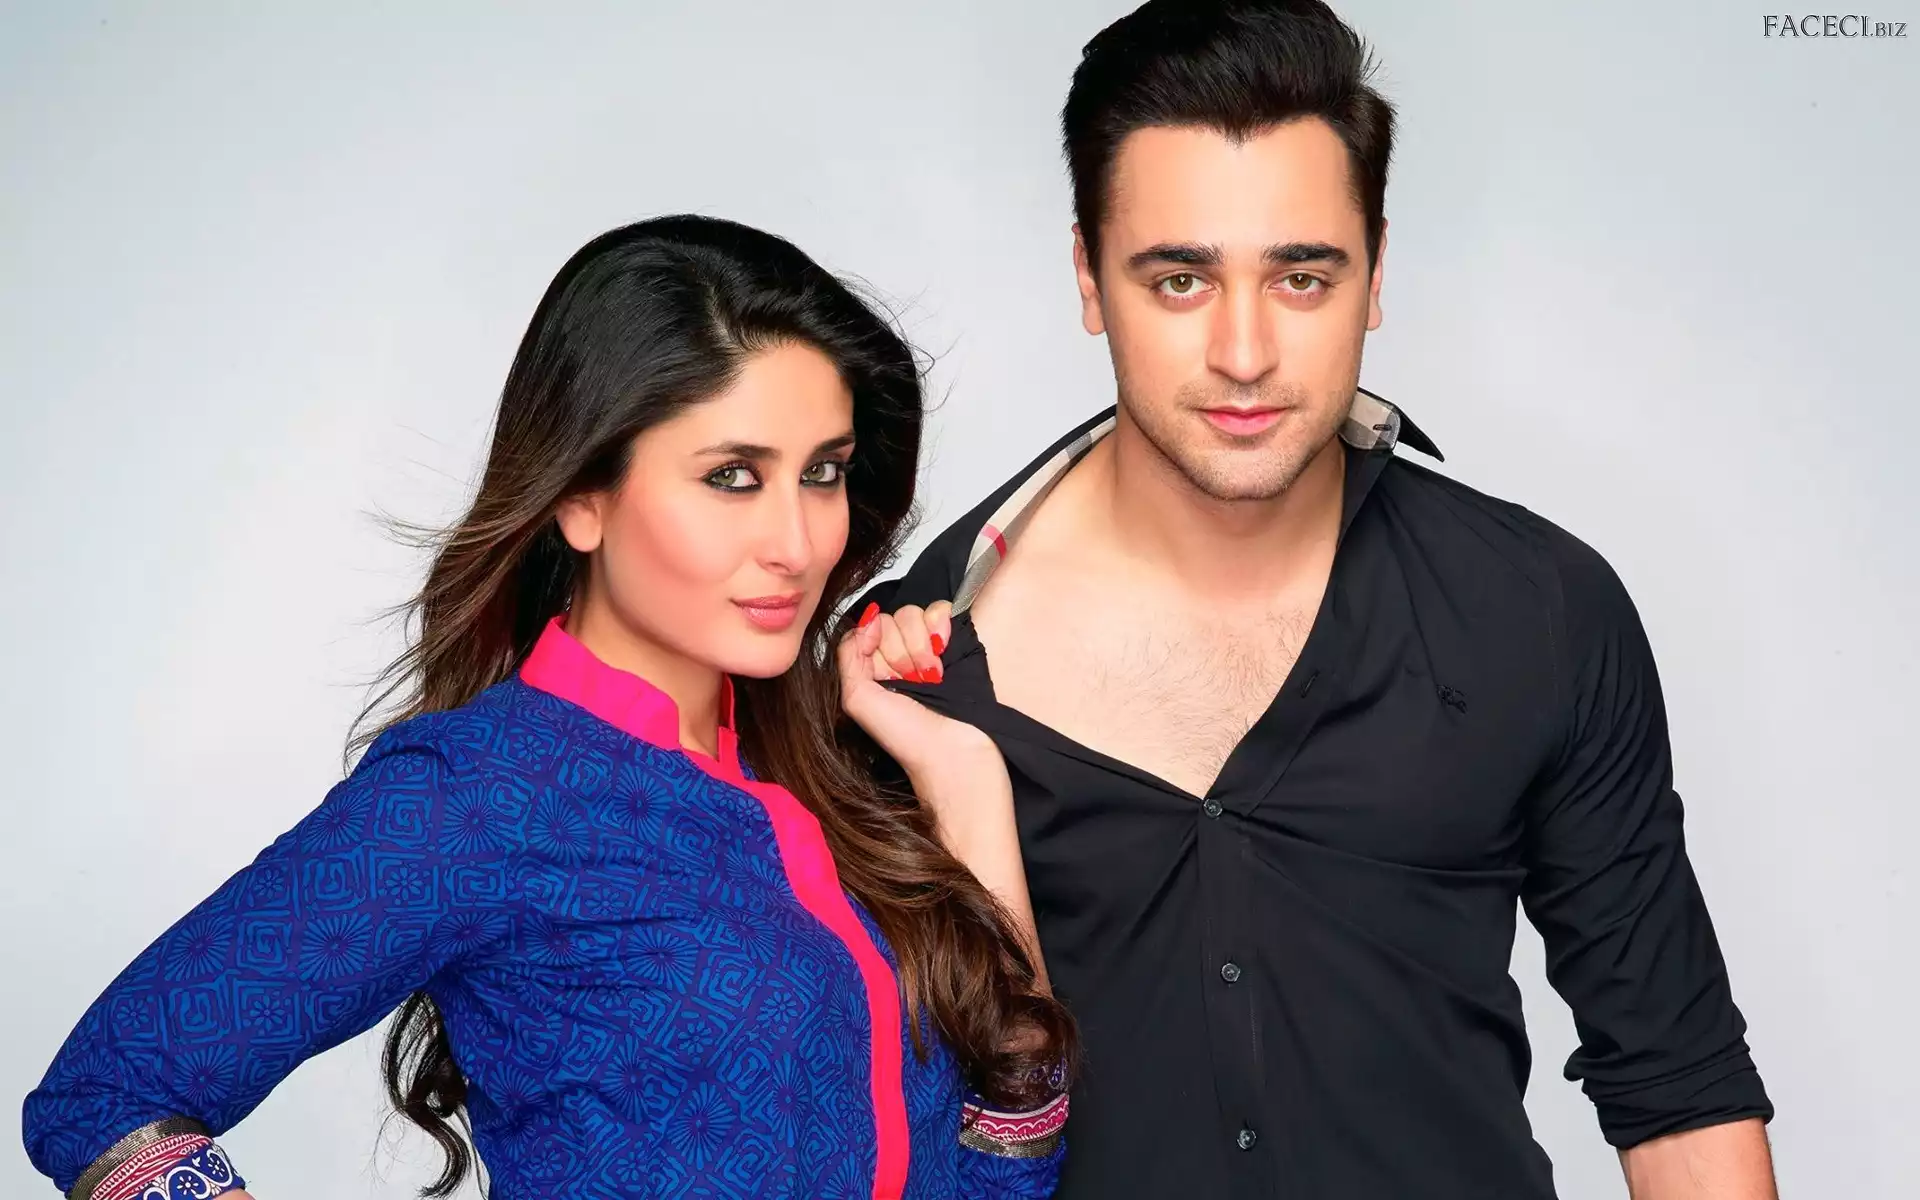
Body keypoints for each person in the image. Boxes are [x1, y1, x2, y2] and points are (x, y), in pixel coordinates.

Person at [855, 2, 1777, 1197]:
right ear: (1089, 276)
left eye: (1300, 276)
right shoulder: (912, 672)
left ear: (1375, 274)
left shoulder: (1537, 610)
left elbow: (1680, 1089)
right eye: (1179, 279)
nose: (1245, 353)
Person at [21, 215, 1075, 1200]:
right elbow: (103, 1100)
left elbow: (1011, 1152)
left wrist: (963, 779)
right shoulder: (480, 794)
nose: (797, 545)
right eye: (732, 477)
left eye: (823, 473)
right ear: (581, 497)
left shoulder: (820, 779)